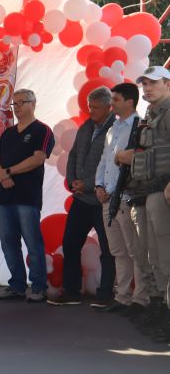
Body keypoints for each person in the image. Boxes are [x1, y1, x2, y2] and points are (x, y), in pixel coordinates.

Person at [116, 66, 170, 342]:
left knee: (165, 253)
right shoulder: (152, 114)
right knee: (154, 255)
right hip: (149, 192)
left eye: (153, 83)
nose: (147, 88)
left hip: (163, 191)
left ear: (167, 85)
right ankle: (161, 311)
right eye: (144, 84)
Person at [95, 83, 156, 315]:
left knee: (135, 251)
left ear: (130, 102)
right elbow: (104, 160)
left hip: (127, 196)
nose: (112, 104)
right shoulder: (112, 128)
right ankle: (122, 297)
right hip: (108, 197)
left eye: (116, 99)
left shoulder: (140, 127)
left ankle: (141, 299)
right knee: (118, 251)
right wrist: (99, 185)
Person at [52, 87, 116, 307]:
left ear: (109, 107)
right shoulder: (86, 127)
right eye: (90, 106)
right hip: (80, 199)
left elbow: (110, 164)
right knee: (70, 244)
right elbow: (74, 156)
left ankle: (106, 294)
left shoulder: (116, 129)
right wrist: (72, 182)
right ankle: (71, 291)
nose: (91, 111)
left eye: (96, 107)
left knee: (108, 249)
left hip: (102, 200)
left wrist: (87, 184)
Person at [0, 89, 54, 302]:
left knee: (32, 243)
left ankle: (38, 287)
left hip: (27, 196)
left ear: (33, 104)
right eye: (13, 104)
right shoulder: (8, 133)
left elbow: (37, 159)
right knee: (8, 242)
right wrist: (1, 174)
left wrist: (9, 172)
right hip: (6, 197)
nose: (16, 106)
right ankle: (17, 285)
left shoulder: (42, 130)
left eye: (20, 102)